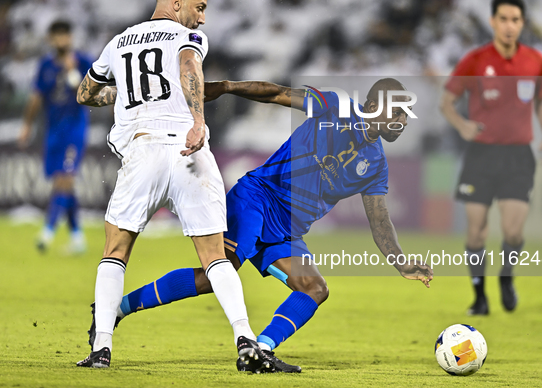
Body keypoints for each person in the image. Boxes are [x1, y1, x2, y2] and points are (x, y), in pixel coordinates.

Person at [86, 78, 434, 373]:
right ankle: (115, 309)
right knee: (216, 275)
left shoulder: (376, 164)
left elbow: (379, 219)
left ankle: (260, 350)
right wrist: (226, 87)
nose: (403, 120)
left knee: (314, 288)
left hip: (286, 230)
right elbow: (278, 94)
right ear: (375, 104)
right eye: (399, 111)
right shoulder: (335, 108)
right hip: (257, 199)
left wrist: (400, 261)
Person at [74, 0, 269, 370]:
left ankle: (101, 349)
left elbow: (85, 93)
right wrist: (198, 119)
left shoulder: (118, 42)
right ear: (176, 3)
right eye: (199, 8)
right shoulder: (187, 38)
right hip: (188, 149)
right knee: (215, 256)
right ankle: (246, 340)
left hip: (143, 153)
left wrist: (120, 94)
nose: (201, 18)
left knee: (115, 251)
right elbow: (188, 68)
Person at [440, 0, 542, 316]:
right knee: (476, 230)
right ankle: (479, 296)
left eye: (515, 20)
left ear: (523, 23)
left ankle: (506, 277)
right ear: (492, 21)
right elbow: (447, 101)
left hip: (519, 156)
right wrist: (462, 125)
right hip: (481, 156)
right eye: (503, 19)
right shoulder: (475, 60)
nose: (509, 26)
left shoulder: (535, 61)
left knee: (513, 230)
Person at [18, 20, 93, 254]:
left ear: (70, 37)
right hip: (53, 132)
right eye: (57, 36)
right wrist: (27, 125)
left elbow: (89, 93)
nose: (61, 40)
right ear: (51, 39)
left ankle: (47, 232)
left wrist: (72, 71)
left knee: (65, 178)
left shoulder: (82, 62)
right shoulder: (45, 66)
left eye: (65, 35)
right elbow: (36, 97)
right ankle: (77, 237)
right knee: (62, 184)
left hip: (75, 130)